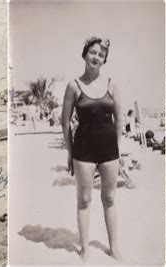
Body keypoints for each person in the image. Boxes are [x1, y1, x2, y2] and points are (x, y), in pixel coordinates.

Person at [61, 36, 122, 262]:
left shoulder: (112, 84)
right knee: (84, 200)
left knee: (110, 198)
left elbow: (119, 121)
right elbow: (64, 122)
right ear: (85, 54)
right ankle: (85, 250)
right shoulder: (73, 86)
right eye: (93, 52)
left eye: (101, 54)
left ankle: (114, 248)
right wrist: (70, 152)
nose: (96, 57)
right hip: (83, 150)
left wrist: (117, 152)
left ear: (104, 59)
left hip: (109, 151)